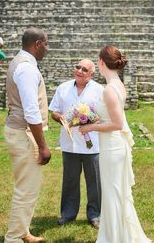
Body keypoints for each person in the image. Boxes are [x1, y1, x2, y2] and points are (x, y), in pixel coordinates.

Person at [79, 46, 151, 243]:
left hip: (112, 148)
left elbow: (117, 124)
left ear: (102, 62)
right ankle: (116, 235)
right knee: (115, 192)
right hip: (113, 146)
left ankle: (114, 238)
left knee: (112, 193)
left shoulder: (110, 89)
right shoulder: (118, 84)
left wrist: (90, 128)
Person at [4, 27, 51, 243]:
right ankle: (13, 238)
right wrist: (42, 146)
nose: (47, 49)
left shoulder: (22, 63)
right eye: (46, 44)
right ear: (38, 44)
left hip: (19, 128)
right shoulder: (27, 69)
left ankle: (23, 232)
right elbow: (31, 110)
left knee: (28, 185)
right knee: (26, 188)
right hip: (23, 132)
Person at [49, 59, 104, 228]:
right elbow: (54, 111)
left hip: (92, 143)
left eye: (84, 69)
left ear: (91, 74)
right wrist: (62, 119)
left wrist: (89, 122)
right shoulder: (63, 88)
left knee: (94, 181)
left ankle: (95, 215)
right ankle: (68, 214)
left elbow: (103, 114)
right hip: (70, 142)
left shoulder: (99, 90)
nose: (79, 70)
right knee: (70, 180)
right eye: (77, 67)